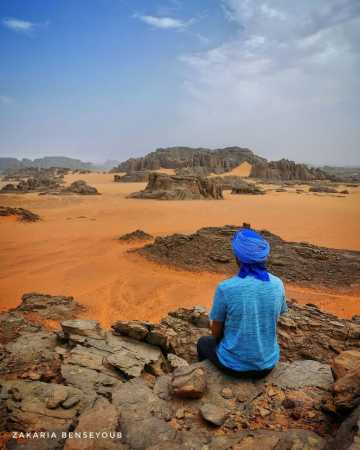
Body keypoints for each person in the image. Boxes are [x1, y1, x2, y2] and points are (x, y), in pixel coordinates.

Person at [197, 227, 288, 378]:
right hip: (267, 366)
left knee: (203, 343)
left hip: (234, 367)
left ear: (238, 258)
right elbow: (276, 316)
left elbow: (215, 333)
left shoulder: (226, 288)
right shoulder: (278, 284)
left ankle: (205, 379)